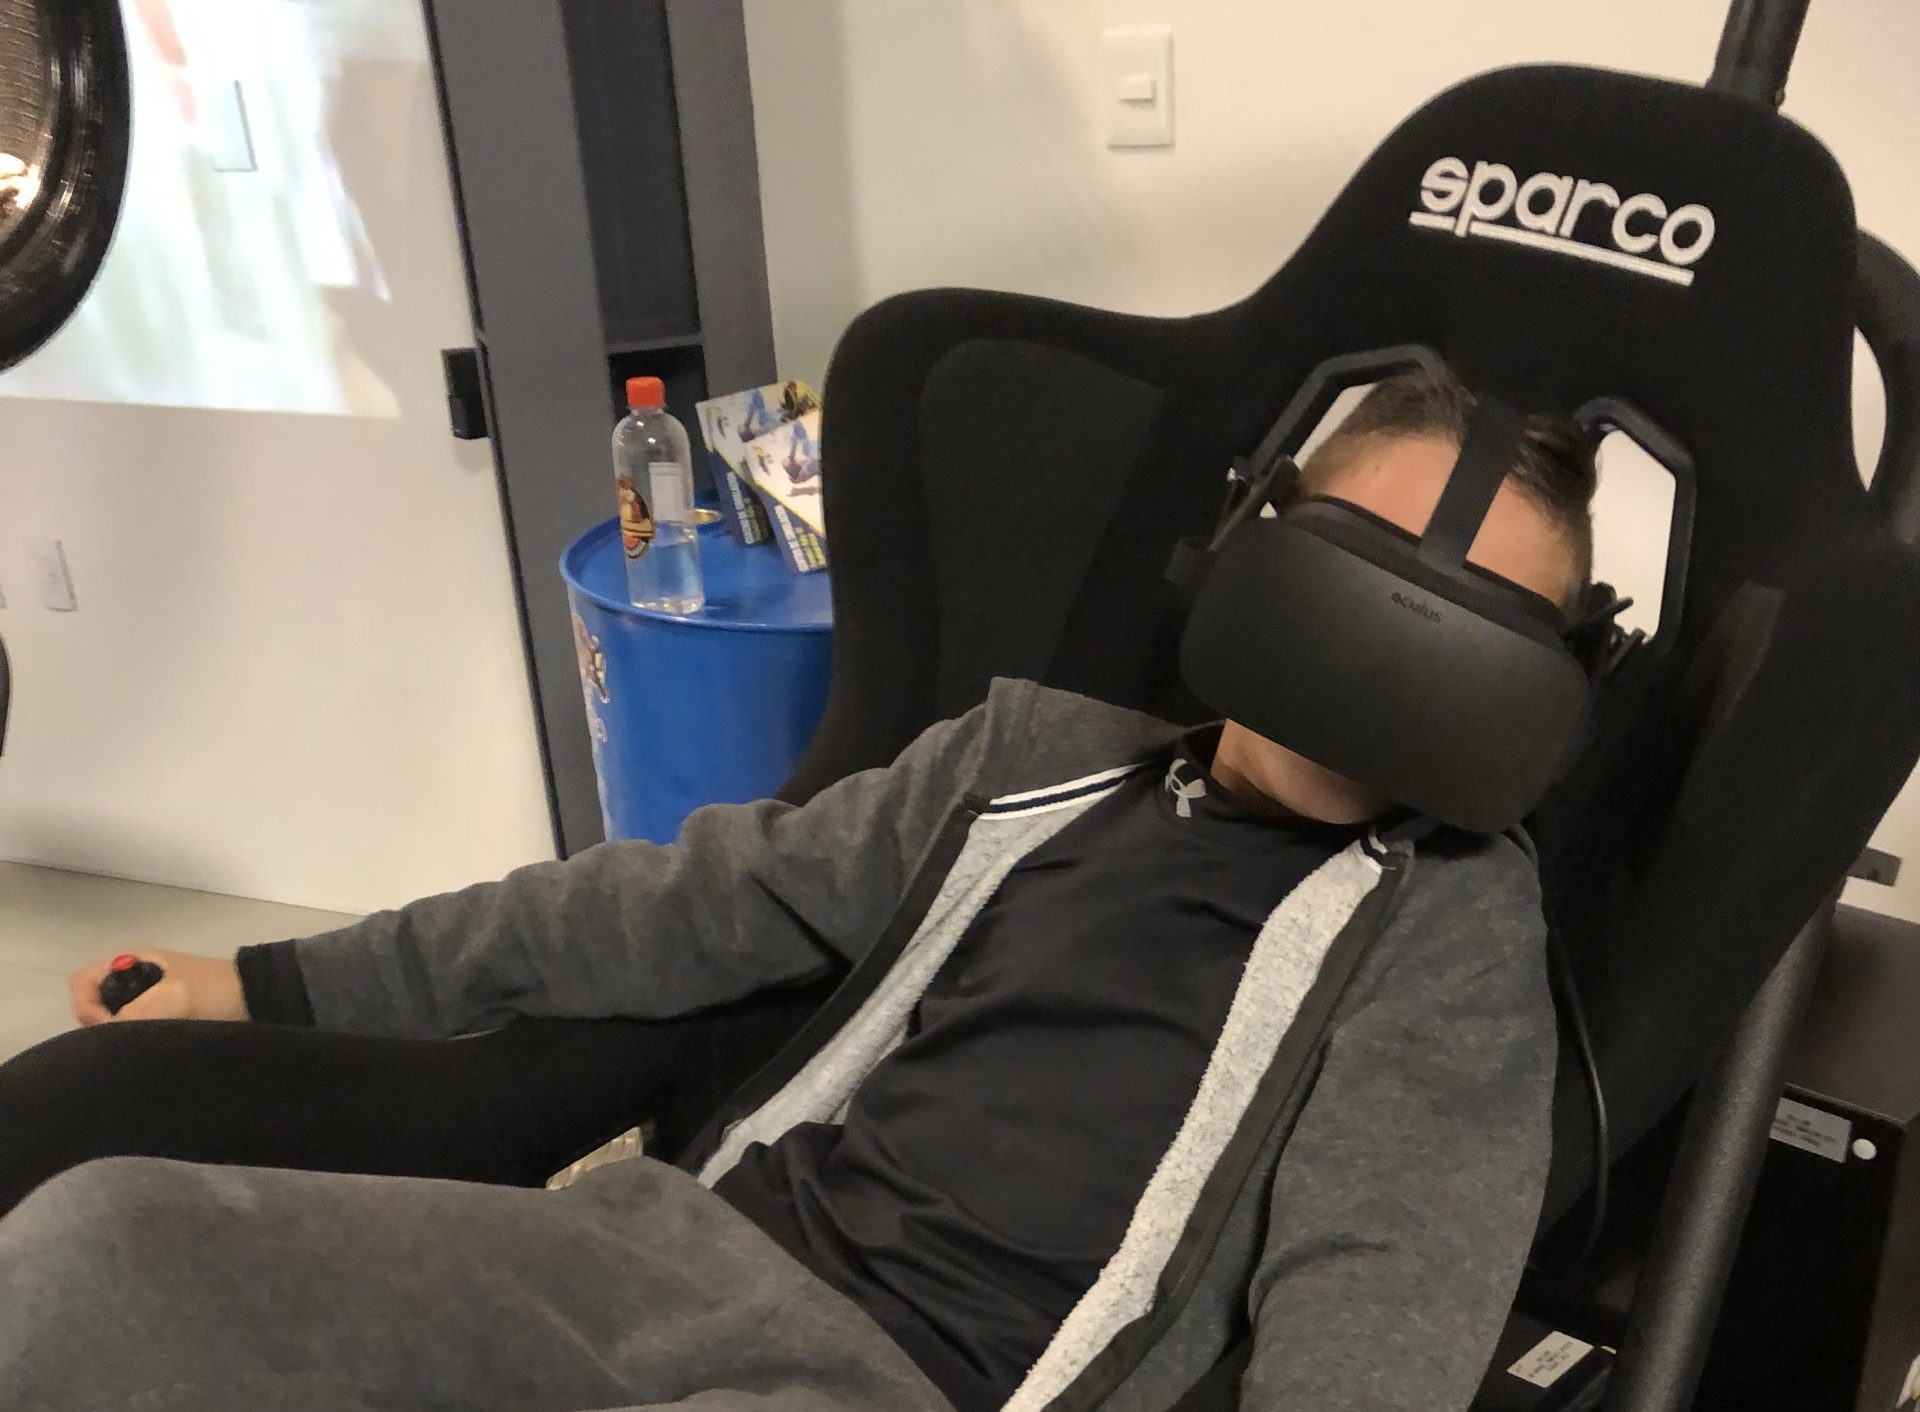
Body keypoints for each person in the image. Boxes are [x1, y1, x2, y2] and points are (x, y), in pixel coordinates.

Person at [0, 367, 1596, 1412]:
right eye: (1362, 575)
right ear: (1262, 540)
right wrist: (278, 981)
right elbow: (676, 903)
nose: (1379, 666)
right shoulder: (1028, 757)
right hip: (673, 1253)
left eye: (1464, 631)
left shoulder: (1449, 923)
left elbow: (1384, 1284)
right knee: (101, 1249)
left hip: (916, 1381)